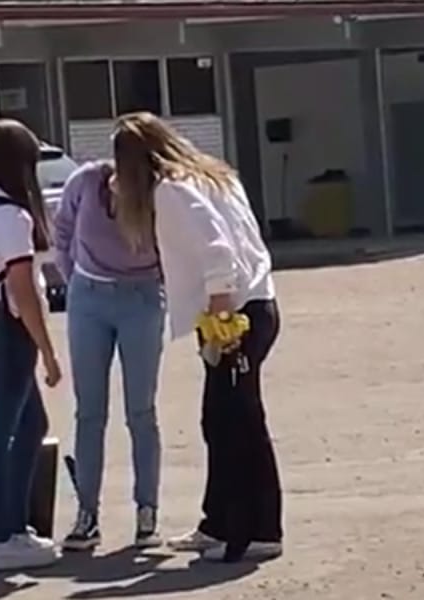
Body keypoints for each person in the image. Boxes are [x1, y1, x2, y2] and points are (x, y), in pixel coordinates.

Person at [103, 112, 283, 562]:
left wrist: (221, 324)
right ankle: (218, 522)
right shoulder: (215, 176)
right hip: (255, 304)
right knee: (221, 419)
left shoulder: (172, 190)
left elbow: (217, 251)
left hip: (233, 313)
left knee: (236, 425)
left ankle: (253, 530)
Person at [0, 119, 62, 571]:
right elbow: (23, 292)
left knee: (27, 424)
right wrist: (49, 352)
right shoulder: (10, 216)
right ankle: (4, 535)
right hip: (7, 328)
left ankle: (13, 527)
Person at [53, 156, 165, 551]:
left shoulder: (160, 191)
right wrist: (73, 281)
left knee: (141, 411)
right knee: (89, 412)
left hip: (142, 297)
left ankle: (147, 512)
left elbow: (176, 244)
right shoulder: (87, 180)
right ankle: (87, 514)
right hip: (88, 297)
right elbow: (62, 230)